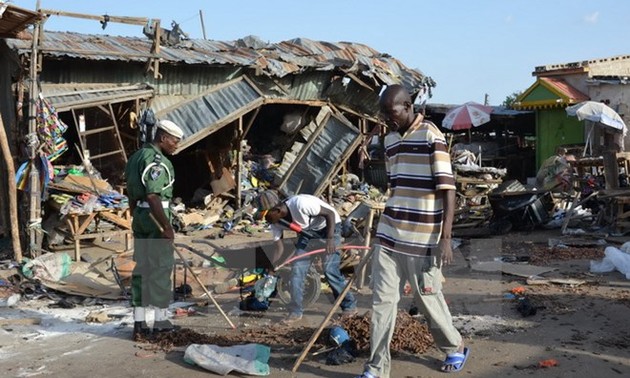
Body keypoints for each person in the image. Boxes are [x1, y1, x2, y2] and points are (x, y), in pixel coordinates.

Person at [356, 85, 469, 378]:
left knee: (426, 299)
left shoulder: (432, 135)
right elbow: (396, 183)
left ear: (407, 106)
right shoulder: (390, 140)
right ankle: (376, 368)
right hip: (390, 232)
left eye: (389, 111)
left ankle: (455, 346)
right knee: (382, 302)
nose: (385, 117)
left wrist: (445, 238)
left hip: (423, 237)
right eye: (382, 112)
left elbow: (448, 190)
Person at [254, 190, 358, 324]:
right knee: (297, 270)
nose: (265, 219)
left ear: (277, 210)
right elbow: (279, 248)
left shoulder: (300, 203)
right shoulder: (275, 223)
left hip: (329, 228)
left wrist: (330, 239)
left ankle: (349, 306)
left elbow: (330, 214)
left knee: (329, 270)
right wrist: (271, 270)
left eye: (266, 215)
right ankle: (295, 311)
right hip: (307, 234)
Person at [125, 119, 184, 340]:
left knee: (142, 269)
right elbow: (152, 195)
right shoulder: (157, 161)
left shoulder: (136, 157)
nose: (176, 145)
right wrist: (167, 227)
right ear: (163, 138)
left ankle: (139, 324)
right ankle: (160, 321)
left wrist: (135, 215)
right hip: (155, 218)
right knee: (160, 269)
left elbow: (131, 192)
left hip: (140, 217)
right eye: (174, 141)